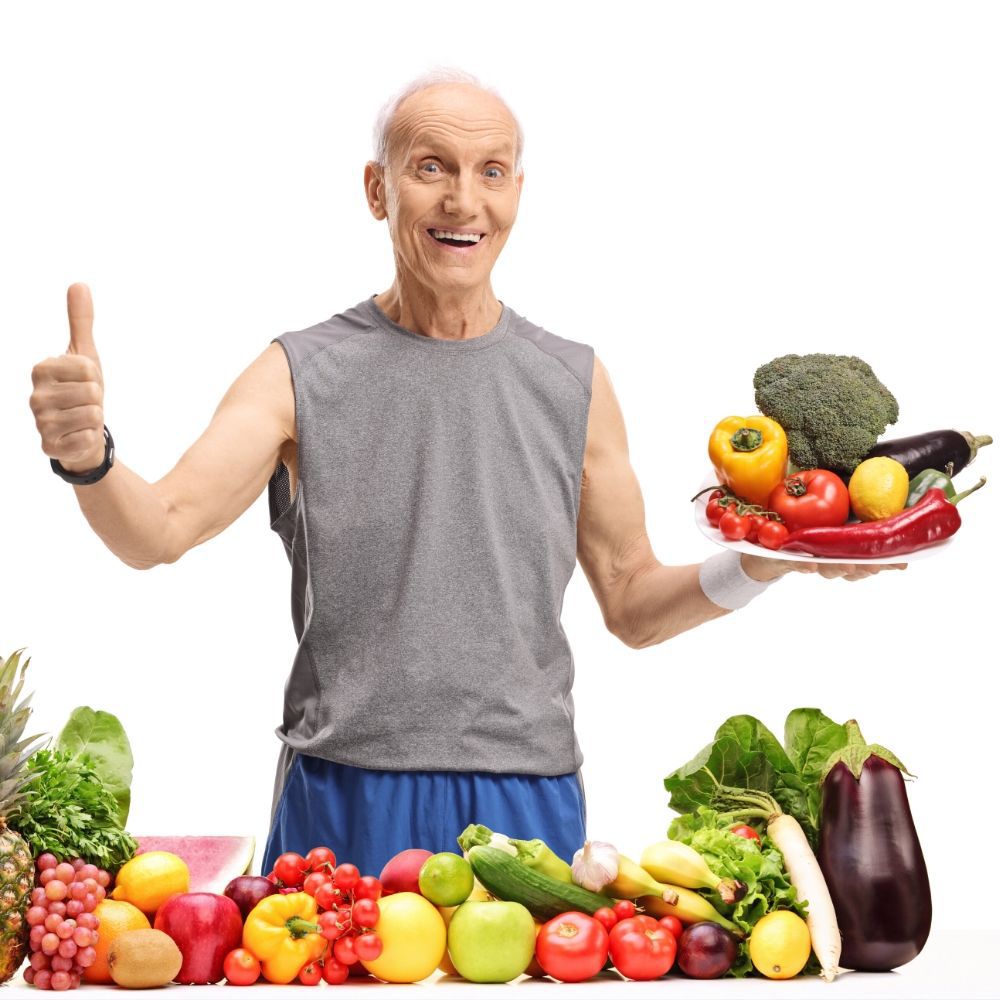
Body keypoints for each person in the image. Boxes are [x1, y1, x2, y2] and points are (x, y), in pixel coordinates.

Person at [28, 68, 904, 879]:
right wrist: (90, 460)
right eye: (430, 167)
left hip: (528, 799)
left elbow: (634, 605)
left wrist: (765, 561)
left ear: (517, 192)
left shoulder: (574, 380)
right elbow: (161, 529)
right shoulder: (298, 372)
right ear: (378, 189)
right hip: (344, 790)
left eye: (492, 171)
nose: (463, 200)